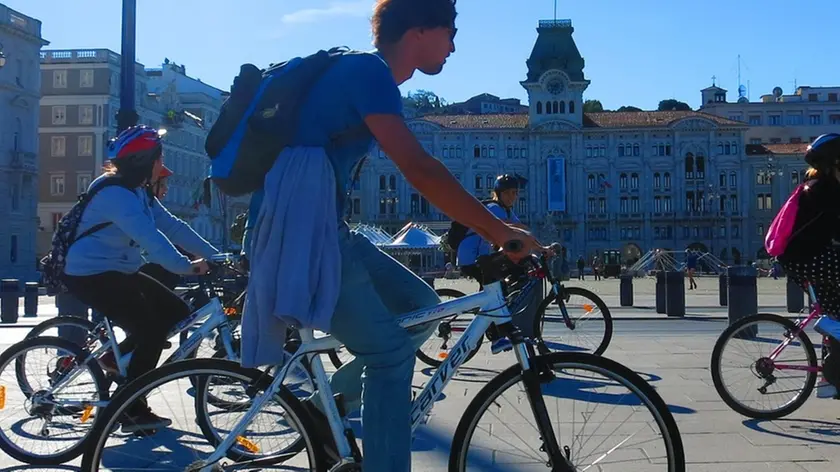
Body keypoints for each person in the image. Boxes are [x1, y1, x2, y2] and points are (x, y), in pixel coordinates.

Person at [243, 1, 541, 469]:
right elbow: (419, 169)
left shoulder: (368, 75)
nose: (455, 45)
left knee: (423, 310)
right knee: (388, 358)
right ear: (420, 30)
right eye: (451, 31)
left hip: (327, 230)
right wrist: (498, 230)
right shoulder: (369, 73)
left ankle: (325, 405)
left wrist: (498, 228)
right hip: (302, 234)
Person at [62, 125, 219, 432]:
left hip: (117, 269)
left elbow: (173, 227)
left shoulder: (138, 192)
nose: (162, 166)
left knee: (177, 313)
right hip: (89, 273)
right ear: (144, 161)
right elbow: (151, 239)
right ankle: (131, 410)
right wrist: (188, 266)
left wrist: (215, 255)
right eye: (159, 159)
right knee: (150, 330)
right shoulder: (116, 195)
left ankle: (113, 358)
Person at [775, 133, 840, 391]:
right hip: (807, 259)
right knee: (833, 319)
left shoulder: (816, 186)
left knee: (836, 312)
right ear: (832, 164)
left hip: (803, 259)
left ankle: (829, 380)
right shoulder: (826, 191)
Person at [456, 174, 524, 354]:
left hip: (482, 257)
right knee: (497, 290)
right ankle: (495, 339)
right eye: (508, 193)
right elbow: (492, 238)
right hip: (472, 256)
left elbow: (521, 232)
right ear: (498, 194)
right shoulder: (495, 209)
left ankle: (486, 320)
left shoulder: (508, 211)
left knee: (496, 290)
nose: (512, 197)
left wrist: (542, 249)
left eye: (515, 193)